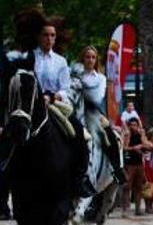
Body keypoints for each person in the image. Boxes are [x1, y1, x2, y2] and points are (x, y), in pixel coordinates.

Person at [28, 17, 95, 198]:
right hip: (31, 105)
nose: (49, 39)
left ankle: (79, 178)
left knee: (79, 133)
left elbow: (65, 89)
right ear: (38, 37)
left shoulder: (60, 61)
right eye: (45, 35)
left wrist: (52, 97)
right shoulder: (30, 57)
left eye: (52, 35)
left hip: (55, 104)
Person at [72, 46, 126, 184]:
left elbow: (96, 98)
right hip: (74, 109)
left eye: (93, 57)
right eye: (87, 57)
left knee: (109, 134)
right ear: (82, 58)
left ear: (96, 60)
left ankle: (116, 168)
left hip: (92, 111)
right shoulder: (74, 74)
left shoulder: (101, 78)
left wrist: (81, 85)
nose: (90, 60)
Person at [122, 118, 149, 216]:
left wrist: (141, 143)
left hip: (139, 164)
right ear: (129, 126)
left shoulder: (140, 135)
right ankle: (125, 210)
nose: (133, 126)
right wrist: (133, 148)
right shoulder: (127, 135)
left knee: (139, 187)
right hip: (130, 164)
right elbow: (124, 147)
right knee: (127, 187)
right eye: (132, 125)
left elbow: (147, 145)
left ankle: (138, 209)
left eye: (135, 125)